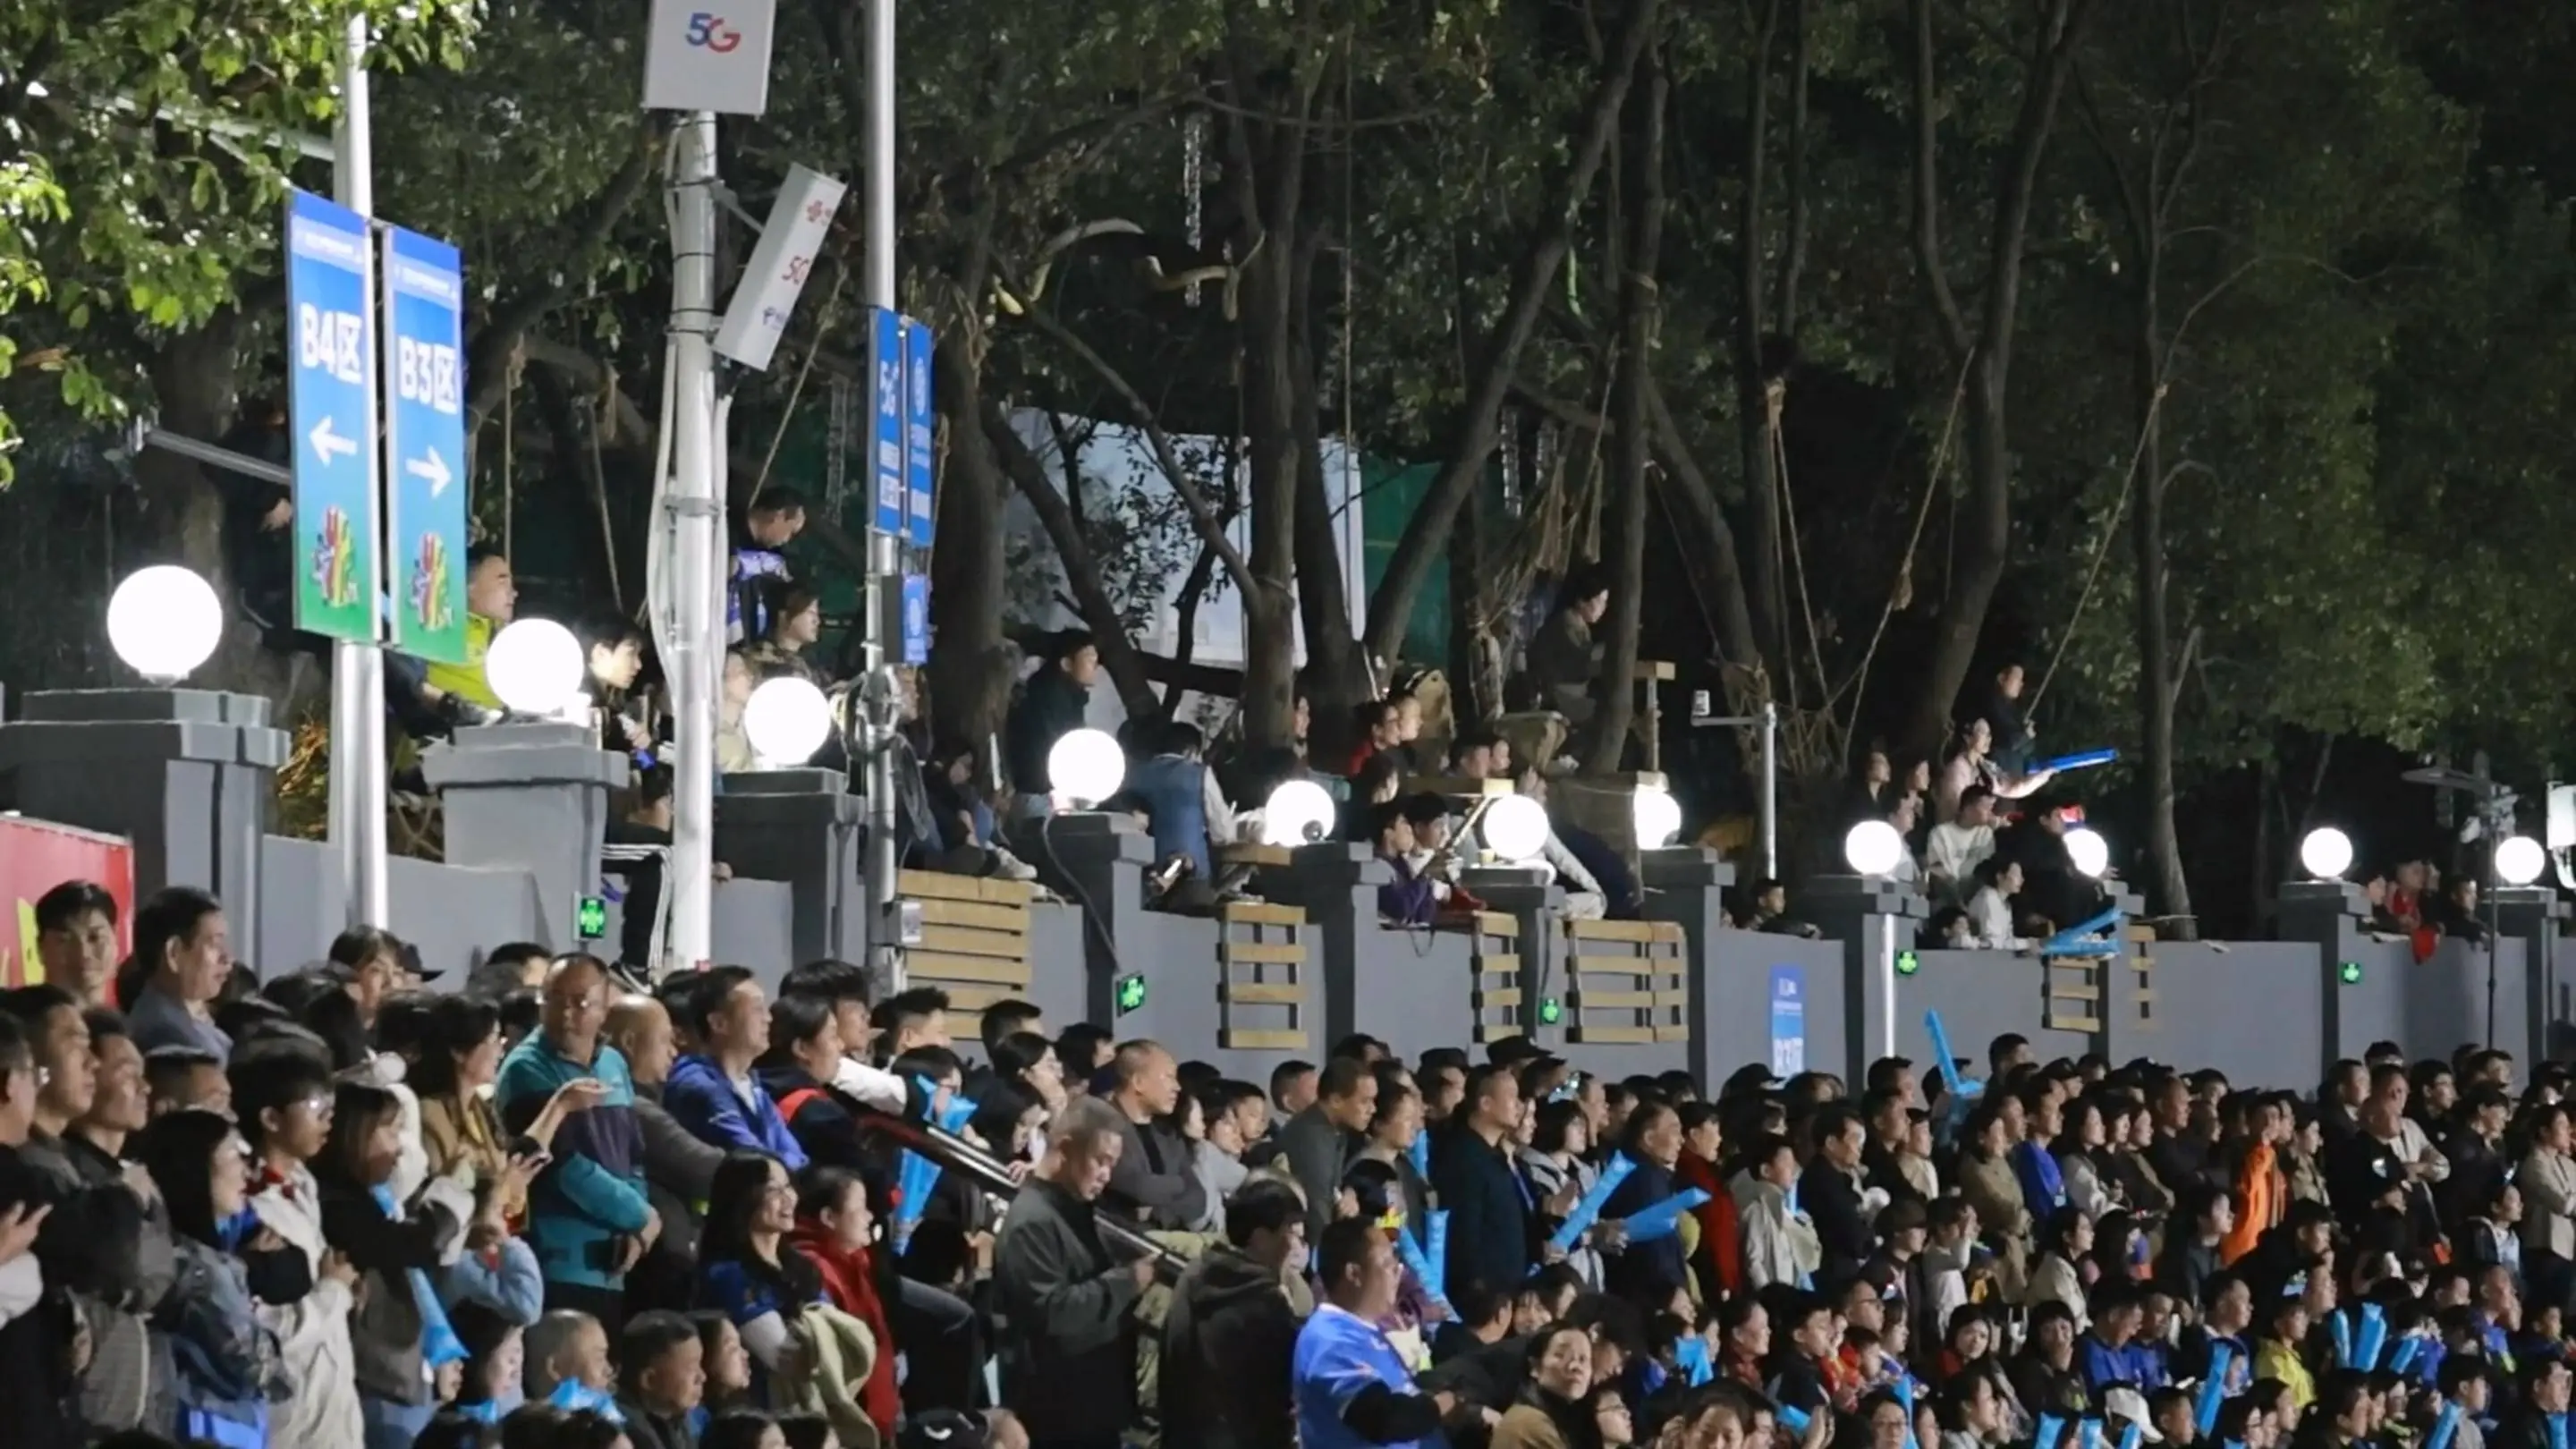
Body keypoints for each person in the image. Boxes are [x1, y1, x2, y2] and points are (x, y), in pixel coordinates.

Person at [496, 955, 657, 1330]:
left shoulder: (613, 1063)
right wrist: (640, 1214)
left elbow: (633, 1153)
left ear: (605, 1009)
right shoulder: (525, 1068)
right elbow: (562, 1165)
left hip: (615, 1259)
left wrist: (637, 1228)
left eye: (581, 1002)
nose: (567, 1013)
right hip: (559, 1260)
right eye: (554, 999)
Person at [991, 1097, 1156, 1449]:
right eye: (1100, 1160)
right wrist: (1128, 1282)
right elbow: (1053, 1313)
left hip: (1090, 1404)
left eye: (1112, 1164)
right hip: (1056, 1411)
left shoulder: (1075, 1211)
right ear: (1065, 1149)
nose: (1106, 1175)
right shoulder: (1032, 1221)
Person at [130, 1107, 290, 1449]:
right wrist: (268, 1339)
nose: (247, 1171)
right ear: (195, 1167)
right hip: (204, 1430)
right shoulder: (194, 1267)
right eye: (234, 1155)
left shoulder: (206, 1259)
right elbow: (255, 1365)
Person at [1293, 1216, 1468, 1449]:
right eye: (1387, 1262)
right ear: (1354, 1274)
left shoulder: (1362, 1329)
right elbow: (1381, 1418)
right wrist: (1439, 1406)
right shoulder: (1328, 1338)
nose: (1398, 1271)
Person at [1162, 1176, 1308, 1449]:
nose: (1296, 1249)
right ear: (1261, 1238)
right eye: (1291, 1235)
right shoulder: (1264, 1302)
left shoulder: (1193, 1275)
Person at [120, 886, 235, 1059]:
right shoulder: (169, 1036)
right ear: (174, 953)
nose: (228, 958)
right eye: (215, 944)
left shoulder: (187, 1020)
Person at [32, 880, 122, 1006]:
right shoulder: (17, 1018)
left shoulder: (130, 1016)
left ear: (115, 940)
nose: (83, 953)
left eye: (94, 937)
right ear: (40, 948)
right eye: (65, 940)